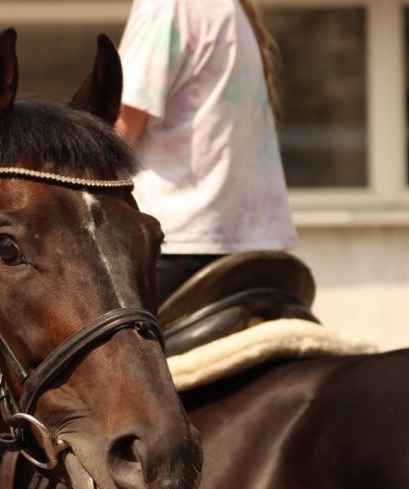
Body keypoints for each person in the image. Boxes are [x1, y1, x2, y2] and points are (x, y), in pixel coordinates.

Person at [115, 0, 298, 303]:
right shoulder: (230, 7)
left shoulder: (166, 6)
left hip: (178, 240)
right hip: (256, 248)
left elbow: (118, 139)